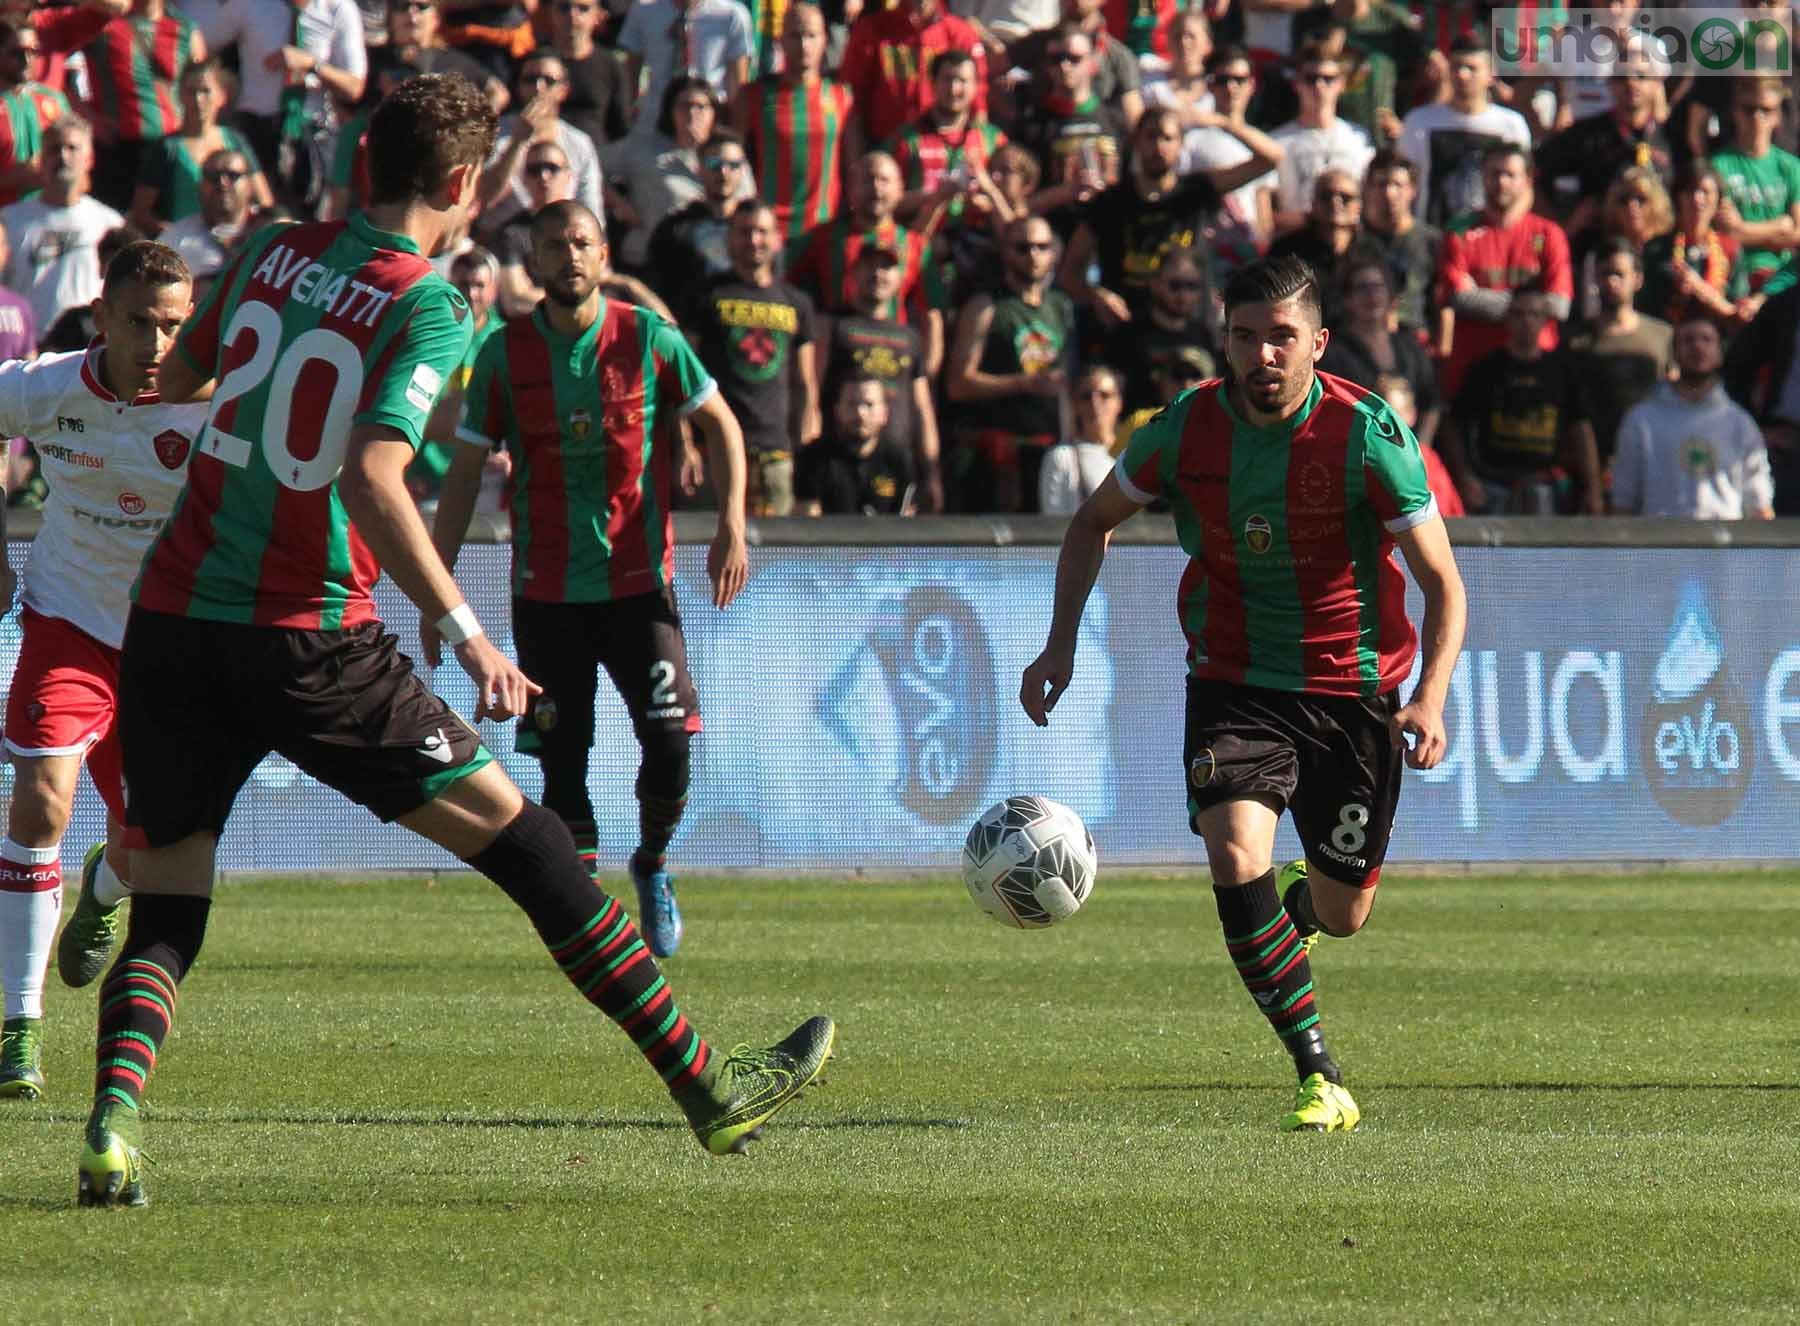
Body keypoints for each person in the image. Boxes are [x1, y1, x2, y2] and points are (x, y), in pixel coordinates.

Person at [76, 76, 830, 1209]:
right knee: (534, 850)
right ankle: (709, 1087)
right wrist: (471, 632)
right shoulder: (430, 303)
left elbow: (176, 378)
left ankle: (111, 1130)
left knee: (175, 899)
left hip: (177, 622)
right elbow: (375, 477)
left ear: (363, 163)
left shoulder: (273, 247)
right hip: (310, 638)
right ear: (466, 185)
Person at [1019, 253, 1466, 1134]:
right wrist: (1059, 644)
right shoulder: (1182, 429)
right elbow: (1090, 523)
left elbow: (1443, 584)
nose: (1263, 354)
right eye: (1245, 336)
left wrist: (1431, 700)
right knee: (1233, 855)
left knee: (1343, 916)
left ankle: (1302, 903)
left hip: (1354, 693)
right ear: (1224, 341)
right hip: (1235, 682)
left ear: (1318, 345)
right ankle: (1319, 1072)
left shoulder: (1369, 435)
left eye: (1282, 338)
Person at [436, 194, 752, 961]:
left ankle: (652, 863)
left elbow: (723, 424)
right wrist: (436, 588)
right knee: (561, 765)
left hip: (640, 585)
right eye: (553, 245)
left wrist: (734, 521)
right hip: (546, 596)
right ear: (533, 263)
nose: (569, 256)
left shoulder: (647, 337)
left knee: (671, 743)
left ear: (603, 256)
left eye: (582, 242)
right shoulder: (505, 355)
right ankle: (590, 933)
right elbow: (463, 473)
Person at [0, 241, 205, 1101]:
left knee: (144, 849)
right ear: (101, 317)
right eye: (139, 323)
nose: (156, 344)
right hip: (68, 619)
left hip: (172, 641)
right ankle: (18, 1029)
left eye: (173, 326)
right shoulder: (46, 386)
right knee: (43, 796)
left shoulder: (214, 400)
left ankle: (105, 885)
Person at [1061, 104, 1281, 327]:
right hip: (1128, 333)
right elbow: (1068, 274)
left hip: (1192, 331)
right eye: (1151, 137)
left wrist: (1223, 123)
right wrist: (1095, 295)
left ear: (1181, 143)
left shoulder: (1196, 190)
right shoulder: (1109, 202)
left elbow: (1271, 158)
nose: (1158, 146)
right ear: (1136, 141)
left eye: (1167, 138)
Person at [694, 202, 820, 515]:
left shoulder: (797, 303)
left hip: (775, 449)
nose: (753, 240)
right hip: (715, 445)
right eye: (744, 232)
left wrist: (804, 438)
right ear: (729, 238)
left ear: (777, 239)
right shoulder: (704, 295)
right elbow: (685, 374)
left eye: (762, 232)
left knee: (774, 552)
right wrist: (685, 439)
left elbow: (805, 380)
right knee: (709, 544)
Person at [944, 214, 1075, 512]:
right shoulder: (986, 305)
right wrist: (1024, 383)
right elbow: (958, 384)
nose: (1033, 255)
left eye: (1042, 247)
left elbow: (1064, 385)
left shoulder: (1059, 306)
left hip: (1045, 449)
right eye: (1023, 247)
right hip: (991, 450)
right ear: (1005, 251)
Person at [1439, 284, 1602, 515]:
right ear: (1507, 319)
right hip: (1492, 487)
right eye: (1518, 314)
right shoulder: (1485, 370)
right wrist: (1465, 477)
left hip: (1547, 487)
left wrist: (1593, 488)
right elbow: (1452, 425)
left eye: (1534, 314)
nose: (1526, 321)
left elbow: (1581, 430)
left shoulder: (1562, 371)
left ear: (1545, 320)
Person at [1435, 144, 1572, 400]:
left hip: (1536, 369)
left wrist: (1481, 297)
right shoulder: (1460, 232)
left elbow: (1560, 306)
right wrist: (1529, 306)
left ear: (1528, 180)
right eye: (1493, 173)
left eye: (1510, 174)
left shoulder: (1549, 234)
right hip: (1474, 370)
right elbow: (1458, 298)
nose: (1501, 181)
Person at [817, 244, 942, 511]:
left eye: (886, 267)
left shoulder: (910, 336)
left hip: (896, 465)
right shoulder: (833, 324)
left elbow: (922, 407)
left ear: (900, 277)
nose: (878, 274)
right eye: (869, 266)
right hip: (839, 462)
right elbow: (811, 390)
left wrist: (931, 471)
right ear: (854, 273)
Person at [1612, 316, 1774, 519]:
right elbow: (1623, 502)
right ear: (1674, 354)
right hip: (1661, 546)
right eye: (1688, 340)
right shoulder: (1641, 421)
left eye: (1707, 339)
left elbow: (1760, 505)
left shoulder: (1740, 424)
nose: (1697, 347)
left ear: (1720, 353)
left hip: (1725, 546)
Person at [736, 4, 857, 243]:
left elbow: (852, 168)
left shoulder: (842, 97)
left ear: (825, 40)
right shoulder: (753, 96)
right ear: (780, 40)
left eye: (811, 35)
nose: (804, 45)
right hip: (766, 235)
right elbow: (736, 162)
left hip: (823, 233)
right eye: (795, 35)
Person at [74, 0, 207, 212]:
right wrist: (92, 120)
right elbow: (59, 73)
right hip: (116, 150)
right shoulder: (101, 20)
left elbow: (205, 82)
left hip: (169, 149)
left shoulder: (185, 29)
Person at [0, 118, 126, 339]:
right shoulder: (10, 221)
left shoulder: (109, 222)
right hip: (29, 348)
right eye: (54, 149)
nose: (63, 156)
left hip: (88, 343)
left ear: (89, 158)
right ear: (41, 159)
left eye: (72, 148)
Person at [1395, 33, 1531, 228]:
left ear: (1491, 75)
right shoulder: (1418, 122)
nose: (1462, 74)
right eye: (1456, 67)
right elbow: (1405, 185)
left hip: (1489, 242)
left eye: (1472, 68)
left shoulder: (1511, 125)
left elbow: (1525, 189)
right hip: (1433, 237)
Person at [125, 58, 273, 236]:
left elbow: (264, 200)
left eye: (205, 91)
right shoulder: (166, 148)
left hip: (235, 243)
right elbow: (140, 212)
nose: (198, 99)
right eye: (191, 91)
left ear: (221, 95)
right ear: (179, 95)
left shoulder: (235, 141)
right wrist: (177, 236)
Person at [1563, 238, 1673, 467]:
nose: (1611, 282)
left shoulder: (1663, 336)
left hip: (1654, 457)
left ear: (1638, 279)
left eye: (1619, 274)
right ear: (1594, 279)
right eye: (1604, 274)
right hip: (1591, 462)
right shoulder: (1575, 341)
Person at [1319, 255, 1438, 446]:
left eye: (1378, 287)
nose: (1372, 296)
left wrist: (1419, 450)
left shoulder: (1409, 345)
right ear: (1347, 299)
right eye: (1362, 288)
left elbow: (1431, 404)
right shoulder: (1332, 354)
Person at [479, 50, 604, 230]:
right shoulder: (494, 134)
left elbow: (593, 213)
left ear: (563, 91)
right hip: (501, 239)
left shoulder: (579, 142)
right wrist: (518, 142)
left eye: (549, 81)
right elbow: (483, 199)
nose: (538, 87)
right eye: (530, 79)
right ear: (519, 87)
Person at [838, 0, 988, 147]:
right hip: (884, 151)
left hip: (944, 155)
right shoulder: (872, 29)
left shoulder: (961, 35)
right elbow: (851, 101)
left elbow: (978, 107)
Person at [1265, 35, 1373, 236]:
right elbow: (1265, 213)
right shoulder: (1276, 141)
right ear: (1296, 84)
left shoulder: (1359, 137)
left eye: (1328, 79)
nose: (1319, 86)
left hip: (1350, 241)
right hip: (1297, 240)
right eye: (1311, 79)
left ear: (1341, 84)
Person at [646, 127, 751, 324]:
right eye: (715, 163)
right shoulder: (674, 229)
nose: (724, 172)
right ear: (699, 168)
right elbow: (658, 290)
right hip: (688, 331)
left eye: (734, 165)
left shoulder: (755, 230)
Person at [1712, 75, 1800, 301]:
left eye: (1766, 110)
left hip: (1784, 275)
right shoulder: (1718, 165)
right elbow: (1727, 232)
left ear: (1778, 116)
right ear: (1735, 112)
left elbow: (1799, 233)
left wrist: (1744, 229)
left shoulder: (1791, 166)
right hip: (1735, 275)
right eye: (1749, 109)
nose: (1757, 117)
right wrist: (1781, 226)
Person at [1102, 244, 1215, 414]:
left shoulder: (1204, 335)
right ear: (1155, 284)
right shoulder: (1127, 335)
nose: (1183, 295)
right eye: (1175, 285)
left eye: (1192, 286)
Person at [617, 0, 753, 136]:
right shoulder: (644, 10)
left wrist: (735, 138)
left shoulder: (731, 14)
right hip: (654, 123)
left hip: (708, 123)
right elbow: (629, 78)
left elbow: (738, 89)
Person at [1638, 160, 1746, 328]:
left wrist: (1700, 289)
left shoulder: (1730, 249)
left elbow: (1738, 313)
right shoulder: (1656, 249)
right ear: (1678, 197)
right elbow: (1643, 309)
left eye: (1705, 192)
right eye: (1690, 191)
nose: (1697, 199)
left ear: (1718, 200)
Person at [799, 372, 916, 515]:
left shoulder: (899, 460)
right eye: (851, 404)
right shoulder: (813, 458)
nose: (860, 413)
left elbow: (905, 521)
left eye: (869, 404)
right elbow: (808, 521)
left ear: (884, 413)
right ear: (837, 411)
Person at [1356, 148, 1438, 334]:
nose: (1389, 193)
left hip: (1416, 340)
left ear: (1412, 190)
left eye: (1398, 185)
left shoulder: (1432, 242)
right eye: (1381, 184)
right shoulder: (1354, 240)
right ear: (1368, 189)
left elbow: (1441, 301)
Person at [157, 148, 258, 284]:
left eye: (233, 175)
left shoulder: (271, 230)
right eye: (212, 176)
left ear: (250, 184)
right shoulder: (173, 242)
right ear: (199, 185)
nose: (222, 183)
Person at [1037, 363, 1120, 514]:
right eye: (1086, 396)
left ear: (1119, 402)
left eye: (1105, 395)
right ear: (1075, 404)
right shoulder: (1061, 458)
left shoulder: (1136, 453)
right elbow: (1052, 524)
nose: (1095, 403)